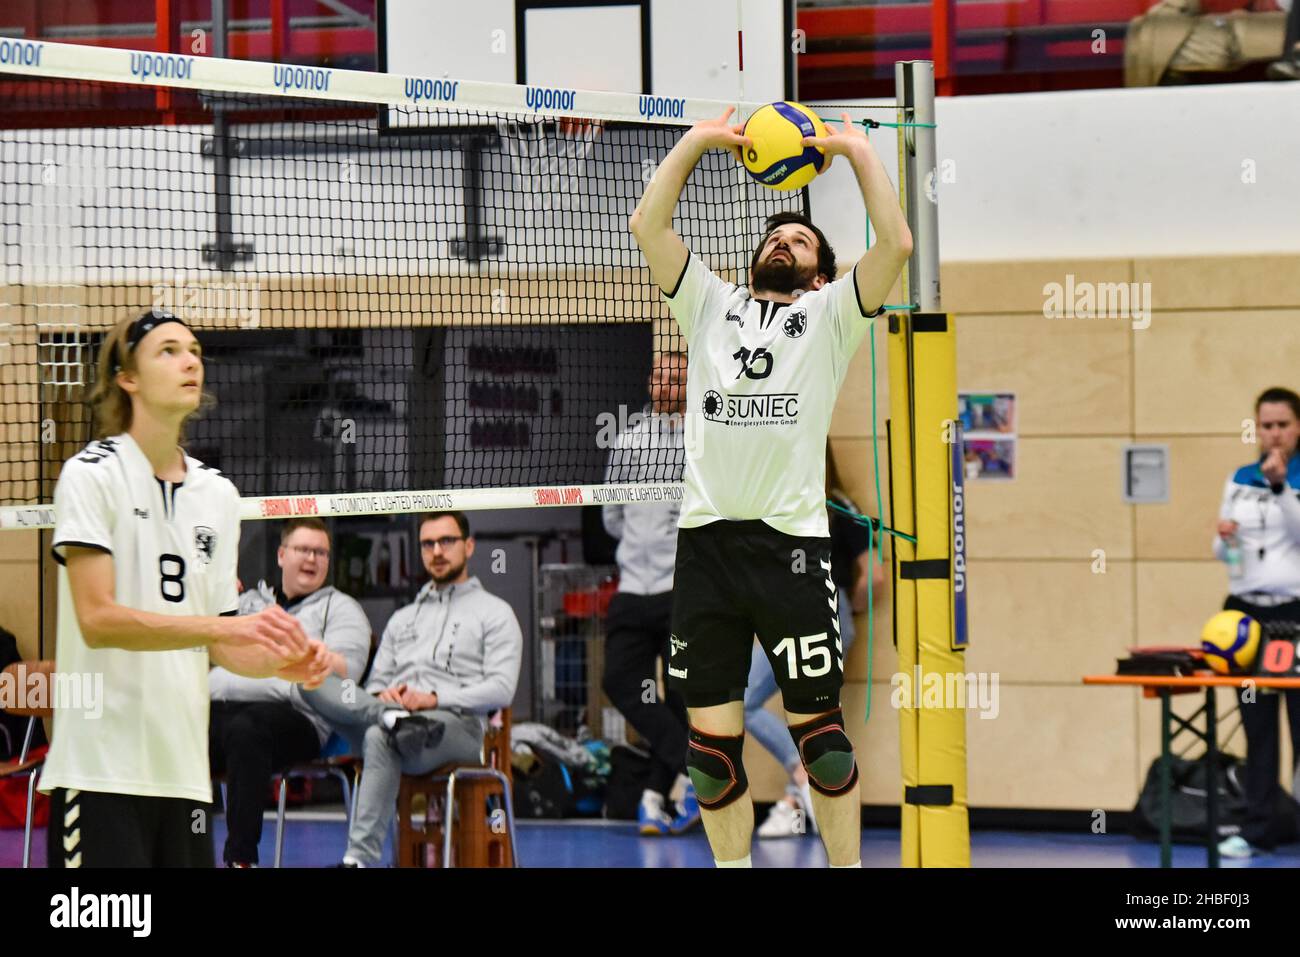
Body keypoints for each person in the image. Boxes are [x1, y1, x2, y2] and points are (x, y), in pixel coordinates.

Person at [630, 109, 912, 867]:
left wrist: (854, 150)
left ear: (820, 272)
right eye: (773, 237)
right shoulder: (710, 303)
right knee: (710, 755)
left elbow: (898, 245)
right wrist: (698, 143)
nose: (781, 243)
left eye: (799, 240)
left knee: (820, 743)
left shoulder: (830, 316)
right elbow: (650, 226)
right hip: (707, 548)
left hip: (790, 548)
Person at [41, 308, 332, 868]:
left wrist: (278, 663)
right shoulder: (90, 474)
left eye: (195, 349)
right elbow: (98, 621)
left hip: (184, 780)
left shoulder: (218, 495)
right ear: (127, 377)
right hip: (102, 773)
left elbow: (219, 647)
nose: (190, 360)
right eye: (168, 350)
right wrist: (224, 627)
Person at [301, 511, 523, 867]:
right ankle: (389, 717)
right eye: (427, 544)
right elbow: (374, 683)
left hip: (456, 727)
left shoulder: (495, 613)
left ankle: (357, 861)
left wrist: (434, 699)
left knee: (378, 737)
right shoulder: (402, 619)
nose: (436, 551)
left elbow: (501, 689)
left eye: (446, 542)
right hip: (394, 723)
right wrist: (382, 698)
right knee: (310, 679)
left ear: (468, 546)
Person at [208, 517, 372, 867]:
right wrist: (214, 601)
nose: (312, 559)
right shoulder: (245, 602)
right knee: (172, 724)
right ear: (282, 555)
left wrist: (310, 653)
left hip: (297, 719)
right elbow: (202, 643)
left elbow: (348, 672)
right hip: (218, 708)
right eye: (303, 550)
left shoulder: (341, 609)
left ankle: (240, 860)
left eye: (321, 552)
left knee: (247, 730)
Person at [750, 447, 884, 838]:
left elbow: (874, 577)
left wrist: (847, 614)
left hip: (823, 610)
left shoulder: (840, 507)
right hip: (793, 612)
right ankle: (801, 789)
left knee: (805, 713)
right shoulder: (782, 503)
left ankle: (799, 793)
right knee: (759, 704)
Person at [602, 350, 699, 835]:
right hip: (633, 588)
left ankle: (653, 797)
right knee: (619, 681)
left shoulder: (705, 435)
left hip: (681, 590)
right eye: (658, 374)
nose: (664, 383)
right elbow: (611, 513)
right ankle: (697, 771)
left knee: (682, 696)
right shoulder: (628, 438)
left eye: (675, 376)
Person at [1213, 386, 1300, 858]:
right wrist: (1223, 537)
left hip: (1295, 613)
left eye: (1282, 424)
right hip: (1247, 613)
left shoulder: (1296, 476)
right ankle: (1257, 826)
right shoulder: (1240, 478)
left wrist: (1283, 486)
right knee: (1258, 722)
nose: (1274, 433)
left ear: (1298, 426)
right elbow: (1224, 555)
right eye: (1266, 425)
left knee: (1299, 719)